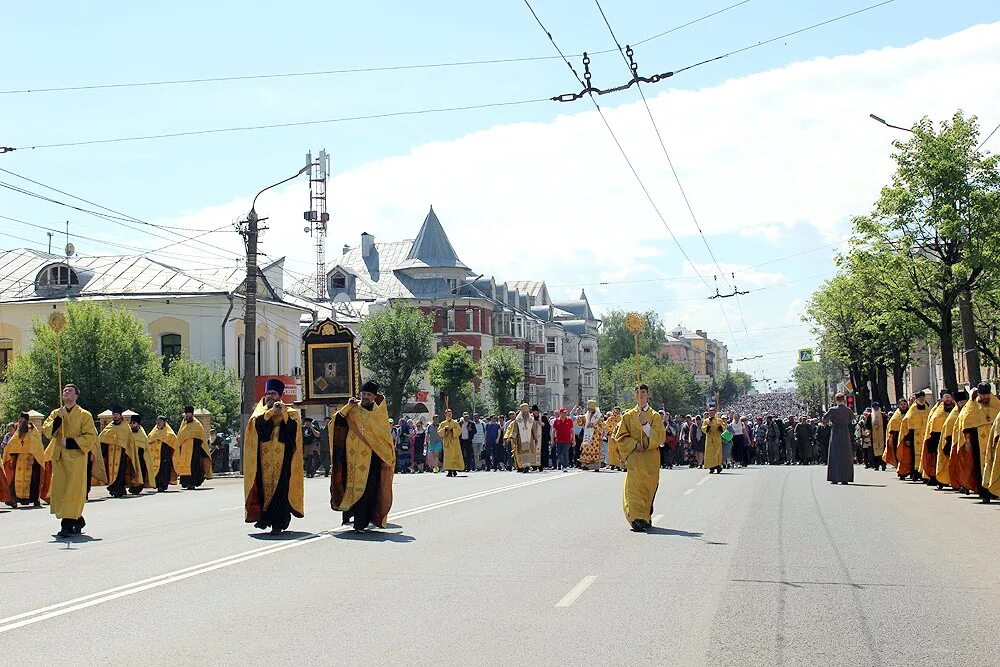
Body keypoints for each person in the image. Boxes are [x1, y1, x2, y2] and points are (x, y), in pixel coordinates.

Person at [329, 380, 395, 532]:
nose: (365, 397)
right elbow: (336, 422)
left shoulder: (378, 414)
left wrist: (386, 457)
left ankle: (361, 522)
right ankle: (349, 515)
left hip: (371, 459)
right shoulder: (353, 409)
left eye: (369, 395)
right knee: (347, 486)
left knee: (367, 491)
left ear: (374, 396)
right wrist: (348, 406)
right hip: (350, 458)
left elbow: (383, 436)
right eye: (363, 394)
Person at [243, 378, 304, 534]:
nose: (270, 396)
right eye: (268, 393)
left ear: (279, 395)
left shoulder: (290, 413)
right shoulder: (260, 413)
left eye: (273, 393)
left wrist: (282, 414)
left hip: (283, 461)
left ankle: (278, 523)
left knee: (280, 492)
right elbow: (259, 432)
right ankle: (266, 519)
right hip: (262, 462)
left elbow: (291, 435)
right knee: (264, 491)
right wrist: (270, 413)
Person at [42, 384, 100, 537]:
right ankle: (78, 519)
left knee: (72, 491)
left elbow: (89, 437)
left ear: (76, 396)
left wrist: (70, 442)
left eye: (70, 390)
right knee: (61, 490)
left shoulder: (84, 415)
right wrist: (58, 421)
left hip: (76, 458)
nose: (66, 392)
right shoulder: (56, 413)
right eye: (64, 390)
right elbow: (47, 432)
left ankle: (66, 526)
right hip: (60, 458)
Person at [611, 384, 664, 532]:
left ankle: (645, 516)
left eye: (643, 392)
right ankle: (635, 518)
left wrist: (645, 425)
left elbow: (660, 438)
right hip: (635, 459)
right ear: (635, 395)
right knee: (634, 489)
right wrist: (634, 444)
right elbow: (620, 437)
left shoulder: (655, 416)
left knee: (648, 488)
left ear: (648, 395)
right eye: (638, 392)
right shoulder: (628, 416)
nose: (641, 395)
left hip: (651, 459)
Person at [956, 382, 999, 501]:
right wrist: (968, 442)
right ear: (978, 394)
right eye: (983, 395)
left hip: (994, 440)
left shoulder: (996, 404)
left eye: (987, 395)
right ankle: (984, 492)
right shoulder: (971, 406)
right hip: (976, 441)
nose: (985, 397)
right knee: (979, 466)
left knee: (994, 464)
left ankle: (994, 490)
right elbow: (967, 426)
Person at [2, 412, 48, 508]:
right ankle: (16, 499)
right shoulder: (19, 431)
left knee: (33, 479)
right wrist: (11, 458)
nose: (19, 421)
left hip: (31, 460)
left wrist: (33, 457)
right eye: (19, 419)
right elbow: (12, 444)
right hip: (19, 460)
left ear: (26, 420)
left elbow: (37, 446)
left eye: (21, 420)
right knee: (15, 479)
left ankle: (35, 499)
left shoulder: (33, 431)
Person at [99, 405, 142, 498]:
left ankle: (119, 489)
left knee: (120, 473)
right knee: (110, 472)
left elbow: (130, 442)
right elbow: (102, 438)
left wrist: (128, 452)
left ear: (120, 415)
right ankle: (113, 489)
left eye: (117, 414)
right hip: (110, 454)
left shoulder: (125, 427)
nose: (115, 416)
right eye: (114, 415)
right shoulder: (109, 427)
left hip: (122, 454)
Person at [921, 391, 954, 487]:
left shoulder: (955, 409)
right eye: (946, 398)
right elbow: (933, 425)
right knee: (938, 459)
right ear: (942, 399)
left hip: (951, 437)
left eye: (949, 397)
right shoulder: (937, 413)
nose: (948, 399)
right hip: (938, 438)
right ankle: (938, 479)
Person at [176, 406, 211, 490]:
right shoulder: (183, 424)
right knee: (184, 465)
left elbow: (201, 438)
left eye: (189, 414)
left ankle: (192, 483)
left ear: (192, 414)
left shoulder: (197, 424)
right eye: (186, 414)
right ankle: (185, 482)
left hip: (195, 450)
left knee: (194, 467)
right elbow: (180, 437)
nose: (187, 416)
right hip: (184, 450)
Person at [824, 393, 855, 484]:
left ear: (836, 400)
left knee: (835, 455)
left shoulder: (832, 410)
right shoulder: (848, 410)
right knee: (846, 456)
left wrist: (830, 422)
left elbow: (824, 418)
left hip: (835, 434)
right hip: (845, 434)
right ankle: (845, 478)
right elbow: (852, 419)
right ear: (844, 400)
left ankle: (834, 478)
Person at [899, 392, 930, 481]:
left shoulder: (928, 409)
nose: (921, 399)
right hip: (914, 436)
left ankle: (924, 472)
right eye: (919, 398)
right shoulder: (912, 410)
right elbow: (906, 425)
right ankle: (915, 473)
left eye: (923, 397)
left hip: (925, 435)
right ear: (916, 399)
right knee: (913, 455)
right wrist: (908, 438)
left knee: (925, 454)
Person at [148, 415, 178, 492]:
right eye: (157, 421)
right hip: (155, 456)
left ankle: (163, 485)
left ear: (164, 422)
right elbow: (149, 441)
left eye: (160, 421)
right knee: (156, 471)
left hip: (165, 455)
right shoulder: (153, 433)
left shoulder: (169, 433)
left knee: (164, 470)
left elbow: (174, 443)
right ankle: (157, 484)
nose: (158, 423)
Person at [509, 403, 541, 473]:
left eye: (527, 412)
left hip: (530, 440)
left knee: (529, 453)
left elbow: (534, 430)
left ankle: (527, 466)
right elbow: (515, 429)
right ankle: (523, 466)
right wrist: (513, 437)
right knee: (522, 453)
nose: (526, 413)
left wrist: (535, 437)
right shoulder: (518, 420)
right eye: (524, 412)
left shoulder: (531, 420)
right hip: (520, 439)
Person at [128, 414, 154, 495]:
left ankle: (138, 487)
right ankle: (132, 486)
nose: (132, 425)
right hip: (130, 457)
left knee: (139, 472)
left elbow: (145, 448)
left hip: (140, 457)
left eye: (134, 423)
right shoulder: (128, 433)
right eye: (131, 423)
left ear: (138, 424)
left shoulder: (142, 434)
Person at [437, 409, 464, 478]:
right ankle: (449, 470)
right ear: (445, 415)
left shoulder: (455, 423)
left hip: (454, 442)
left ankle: (455, 470)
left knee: (455, 455)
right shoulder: (443, 423)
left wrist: (452, 430)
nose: (449, 415)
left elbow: (459, 431)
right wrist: (445, 429)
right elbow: (439, 432)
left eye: (450, 414)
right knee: (448, 457)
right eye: (448, 414)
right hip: (447, 443)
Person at [578, 400, 604, 471]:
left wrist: (593, 425)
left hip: (595, 437)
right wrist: (580, 415)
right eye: (589, 408)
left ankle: (596, 466)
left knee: (595, 452)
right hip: (587, 436)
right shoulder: (587, 415)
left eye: (591, 409)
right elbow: (581, 423)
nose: (590, 410)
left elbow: (602, 426)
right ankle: (585, 465)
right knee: (585, 449)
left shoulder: (599, 416)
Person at [884, 398, 908, 472]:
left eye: (904, 404)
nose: (903, 406)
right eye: (901, 405)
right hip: (897, 437)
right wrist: (890, 439)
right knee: (898, 454)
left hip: (907, 436)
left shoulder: (910, 414)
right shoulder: (895, 416)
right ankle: (899, 469)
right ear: (899, 406)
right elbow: (891, 427)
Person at [701, 407, 726, 474]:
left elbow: (724, 428)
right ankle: (711, 467)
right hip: (709, 440)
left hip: (717, 439)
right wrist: (708, 426)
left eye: (713, 413)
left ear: (715, 413)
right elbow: (703, 429)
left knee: (717, 453)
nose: (711, 414)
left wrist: (720, 427)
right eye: (710, 413)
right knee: (710, 454)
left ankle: (718, 466)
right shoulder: (706, 421)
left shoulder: (719, 420)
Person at [866, 402, 887, 471]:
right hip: (874, 435)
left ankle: (883, 464)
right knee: (874, 451)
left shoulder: (883, 415)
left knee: (883, 450)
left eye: (877, 407)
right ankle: (876, 465)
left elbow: (886, 424)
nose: (876, 408)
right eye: (874, 407)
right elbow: (867, 425)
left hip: (882, 435)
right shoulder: (870, 415)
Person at [552, 408, 575, 472]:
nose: (565, 414)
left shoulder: (569, 420)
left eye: (566, 413)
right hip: (558, 440)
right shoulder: (556, 420)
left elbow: (572, 431)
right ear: (560, 413)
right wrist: (552, 440)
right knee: (559, 454)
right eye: (564, 412)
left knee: (565, 453)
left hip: (567, 440)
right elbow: (553, 431)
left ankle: (565, 466)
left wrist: (574, 440)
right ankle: (562, 464)